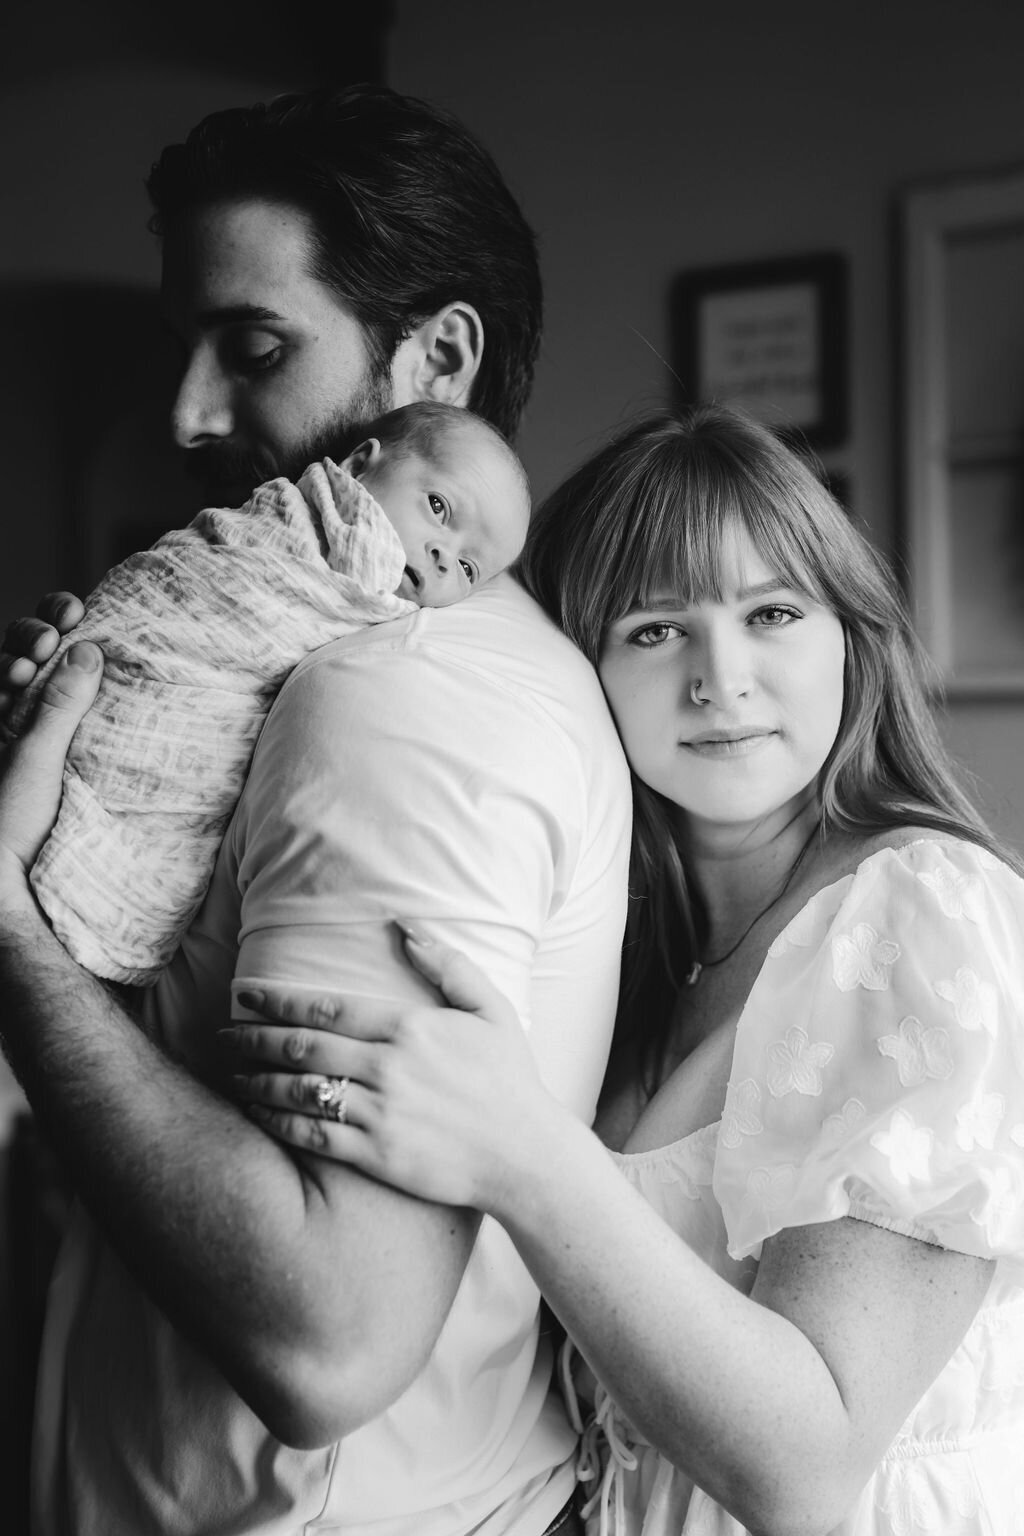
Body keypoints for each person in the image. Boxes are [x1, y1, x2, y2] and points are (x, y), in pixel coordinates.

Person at [0, 82, 631, 1536]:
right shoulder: (311, 669)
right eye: (184, 348)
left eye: (257, 345)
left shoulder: (402, 704)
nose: (185, 413)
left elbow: (330, 1337)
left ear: (443, 358)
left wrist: (11, 935)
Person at [225, 404, 1024, 1536]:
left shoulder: (920, 914)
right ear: (576, 667)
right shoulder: (642, 954)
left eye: (773, 612)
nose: (721, 679)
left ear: (851, 636)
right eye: (655, 630)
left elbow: (808, 1473)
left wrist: (521, 1150)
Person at [10, 401, 530, 985]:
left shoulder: (426, 644)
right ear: (357, 466)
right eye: (438, 507)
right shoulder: (322, 526)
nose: (442, 555)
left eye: (467, 568)